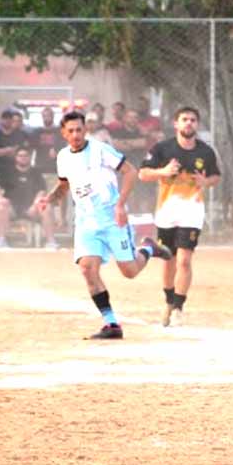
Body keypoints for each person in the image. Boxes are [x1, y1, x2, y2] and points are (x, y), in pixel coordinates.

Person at [36, 111, 173, 340]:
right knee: (87, 268)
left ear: (85, 130)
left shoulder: (100, 150)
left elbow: (130, 172)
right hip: (86, 223)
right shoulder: (63, 157)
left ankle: (148, 248)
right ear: (64, 133)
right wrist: (50, 199)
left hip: (112, 220)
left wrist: (120, 205)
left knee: (129, 271)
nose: (76, 134)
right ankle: (111, 324)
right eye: (70, 131)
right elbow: (64, 186)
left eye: (79, 130)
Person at [139, 106, 221, 327]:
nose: (189, 123)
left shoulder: (205, 152)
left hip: (192, 211)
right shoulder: (162, 149)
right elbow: (143, 173)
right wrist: (162, 172)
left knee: (184, 260)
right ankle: (168, 300)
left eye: (193, 120)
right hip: (167, 211)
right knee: (169, 259)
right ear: (176, 124)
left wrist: (206, 182)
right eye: (184, 119)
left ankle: (178, 308)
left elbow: (215, 176)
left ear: (197, 124)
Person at [0, 146, 58, 249]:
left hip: (31, 208)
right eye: (20, 156)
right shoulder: (8, 172)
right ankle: (1, 240)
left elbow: (42, 190)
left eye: (25, 156)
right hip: (12, 209)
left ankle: (51, 242)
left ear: (29, 157)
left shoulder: (36, 172)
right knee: (1, 206)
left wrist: (36, 202)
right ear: (16, 157)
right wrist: (0, 198)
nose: (23, 158)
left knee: (46, 207)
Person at [111, 110, 154, 212]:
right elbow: (116, 145)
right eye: (130, 117)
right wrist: (134, 143)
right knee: (125, 193)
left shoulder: (142, 132)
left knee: (141, 194)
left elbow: (143, 143)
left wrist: (125, 143)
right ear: (125, 118)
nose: (133, 119)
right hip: (123, 168)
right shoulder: (118, 131)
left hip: (139, 166)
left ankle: (140, 215)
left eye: (135, 117)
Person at [0, 109, 29, 178]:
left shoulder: (19, 135)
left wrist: (1, 151)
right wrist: (8, 149)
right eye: (5, 118)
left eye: (9, 118)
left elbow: (17, 152)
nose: (7, 121)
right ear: (1, 120)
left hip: (14, 171)